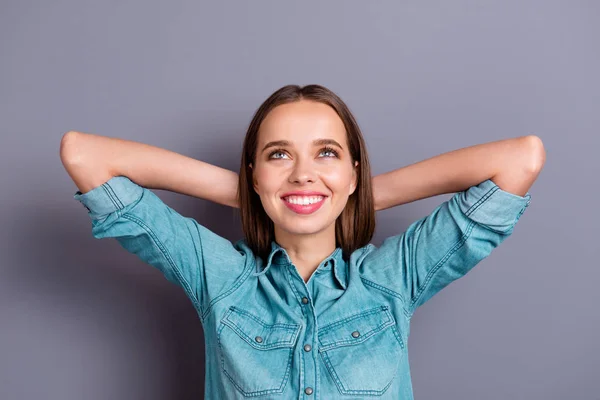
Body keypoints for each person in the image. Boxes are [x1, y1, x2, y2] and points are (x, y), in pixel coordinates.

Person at [60, 84, 543, 399]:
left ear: (355, 170)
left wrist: (356, 194)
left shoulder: (394, 277)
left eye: (326, 154)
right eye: (279, 155)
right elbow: (84, 155)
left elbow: (520, 160)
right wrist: (261, 193)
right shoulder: (220, 277)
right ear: (253, 173)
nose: (303, 173)